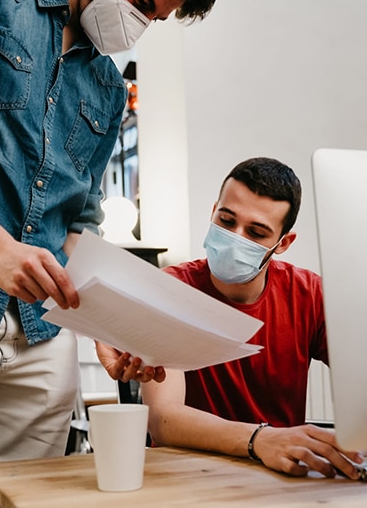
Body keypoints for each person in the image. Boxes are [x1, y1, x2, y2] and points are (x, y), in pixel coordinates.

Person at [0, 0, 218, 506]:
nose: (137, 23)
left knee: (25, 499)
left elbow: (78, 224)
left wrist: (105, 324)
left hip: (42, 335)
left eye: (154, 17)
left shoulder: (108, 87)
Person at [98, 157, 364, 480]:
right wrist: (260, 440)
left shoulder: (309, 294)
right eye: (226, 221)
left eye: (256, 232)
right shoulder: (171, 289)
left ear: (283, 243)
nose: (236, 237)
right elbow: (164, 420)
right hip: (183, 477)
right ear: (213, 212)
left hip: (280, 476)